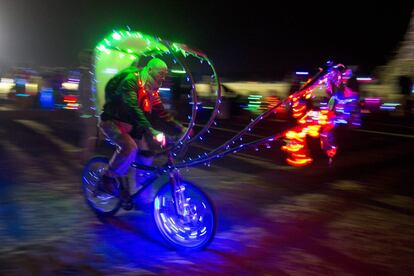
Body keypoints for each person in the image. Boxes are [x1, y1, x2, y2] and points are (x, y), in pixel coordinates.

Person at [98, 58, 185, 195]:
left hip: (132, 126)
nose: (163, 77)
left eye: (165, 74)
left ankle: (139, 194)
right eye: (161, 73)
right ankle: (107, 179)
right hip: (112, 122)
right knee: (130, 148)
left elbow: (161, 112)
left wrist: (181, 128)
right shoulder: (131, 81)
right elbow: (132, 108)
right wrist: (151, 130)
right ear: (150, 70)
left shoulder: (152, 89)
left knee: (147, 154)